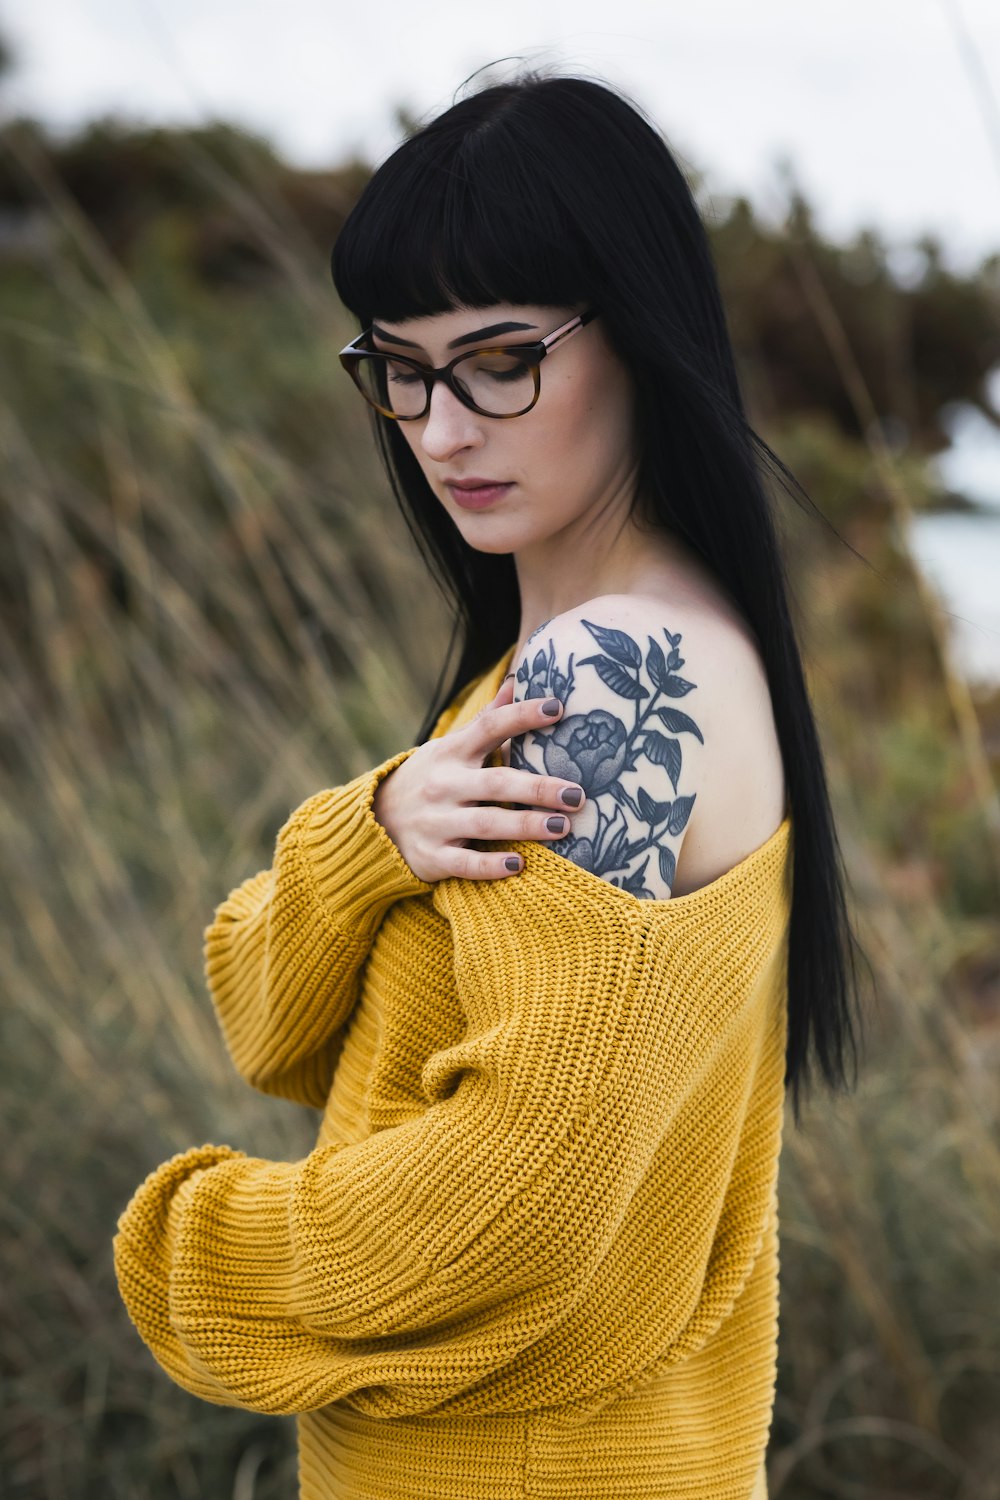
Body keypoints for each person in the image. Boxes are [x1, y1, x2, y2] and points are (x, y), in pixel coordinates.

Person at [113, 67, 869, 1500]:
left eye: (501, 361)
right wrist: (372, 835)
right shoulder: (571, 661)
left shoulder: (615, 675)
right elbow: (276, 1025)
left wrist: (192, 1250)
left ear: (637, 339)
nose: (441, 427)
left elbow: (522, 1199)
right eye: (399, 368)